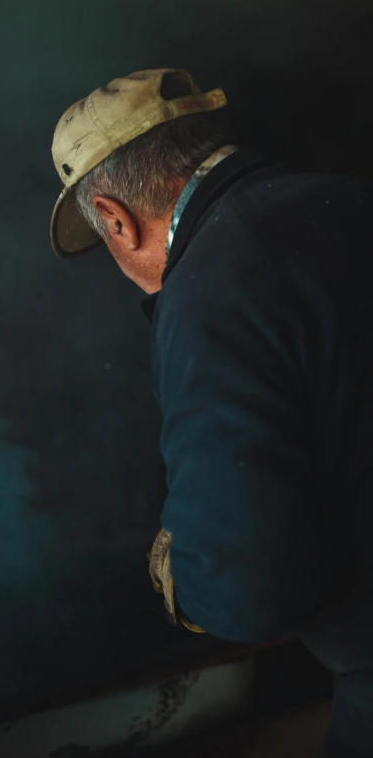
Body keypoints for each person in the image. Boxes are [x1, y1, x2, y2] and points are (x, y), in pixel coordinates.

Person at [50, 68, 373, 757]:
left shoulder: (209, 294)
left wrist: (193, 582)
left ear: (113, 217)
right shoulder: (352, 198)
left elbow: (253, 589)